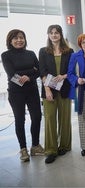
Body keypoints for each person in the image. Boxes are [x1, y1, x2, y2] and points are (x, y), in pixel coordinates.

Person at [1, 29, 44, 162]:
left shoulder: (31, 54)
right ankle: (23, 149)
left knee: (37, 117)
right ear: (10, 40)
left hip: (32, 90)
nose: (19, 40)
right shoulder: (5, 55)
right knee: (20, 120)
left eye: (21, 37)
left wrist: (28, 76)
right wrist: (31, 71)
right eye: (15, 38)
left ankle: (35, 146)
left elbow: (39, 70)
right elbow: (11, 74)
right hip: (16, 92)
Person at [39, 24, 74, 164]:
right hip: (49, 90)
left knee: (65, 119)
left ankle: (64, 146)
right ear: (48, 35)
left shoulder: (69, 51)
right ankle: (51, 150)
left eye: (56, 32)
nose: (54, 35)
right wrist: (47, 89)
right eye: (51, 33)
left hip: (65, 88)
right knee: (49, 118)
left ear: (60, 34)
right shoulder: (43, 51)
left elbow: (72, 70)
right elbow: (42, 71)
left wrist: (64, 76)